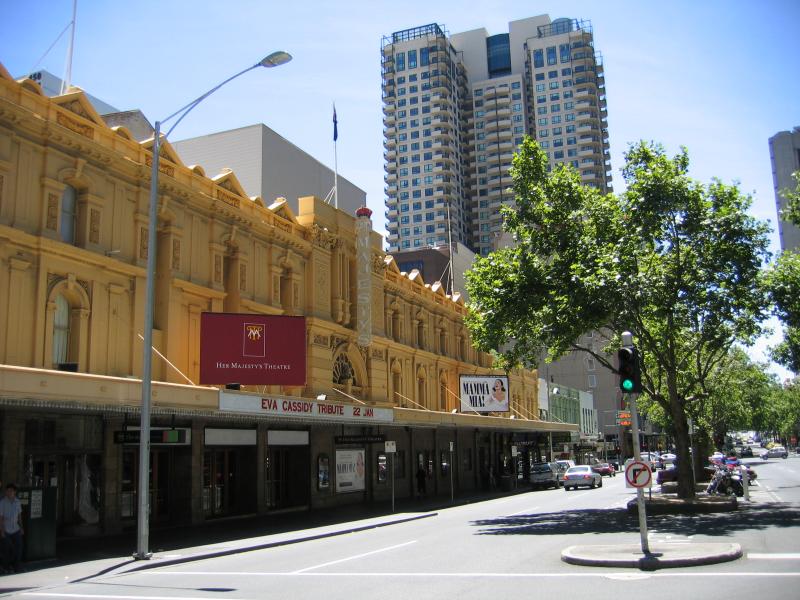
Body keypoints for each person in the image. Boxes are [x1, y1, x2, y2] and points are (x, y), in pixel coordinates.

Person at [0, 483, 23, 573]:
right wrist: (2, 531)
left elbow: (19, 516)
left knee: (18, 548)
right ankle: (5, 567)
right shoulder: (2, 502)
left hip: (16, 529)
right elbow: (0, 518)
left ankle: (17, 567)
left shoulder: (17, 502)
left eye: (11, 491)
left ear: (14, 492)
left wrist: (22, 528)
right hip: (6, 529)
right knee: (7, 549)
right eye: (8, 491)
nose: (9, 492)